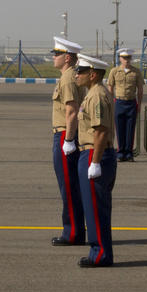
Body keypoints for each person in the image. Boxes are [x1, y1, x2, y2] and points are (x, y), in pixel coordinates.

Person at [74, 53, 118, 268]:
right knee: (95, 208)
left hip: (95, 153)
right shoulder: (94, 93)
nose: (76, 75)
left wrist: (95, 162)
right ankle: (99, 252)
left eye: (80, 71)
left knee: (95, 208)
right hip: (93, 153)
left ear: (92, 74)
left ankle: (100, 254)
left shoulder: (97, 95)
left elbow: (100, 131)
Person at [49, 36, 85, 247]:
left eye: (57, 54)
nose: (54, 57)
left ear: (68, 58)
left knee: (69, 187)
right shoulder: (70, 76)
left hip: (65, 134)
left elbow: (71, 111)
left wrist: (69, 140)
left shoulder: (69, 78)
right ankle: (75, 230)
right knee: (69, 185)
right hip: (64, 133)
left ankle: (72, 233)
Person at [106, 48, 143, 162]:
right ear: (120, 59)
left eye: (128, 58)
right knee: (119, 128)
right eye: (124, 58)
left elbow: (140, 89)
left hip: (131, 102)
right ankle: (120, 152)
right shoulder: (114, 71)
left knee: (130, 128)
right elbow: (110, 88)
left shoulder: (136, 72)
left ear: (131, 59)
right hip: (119, 102)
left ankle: (129, 153)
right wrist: (111, 103)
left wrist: (139, 104)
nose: (126, 60)